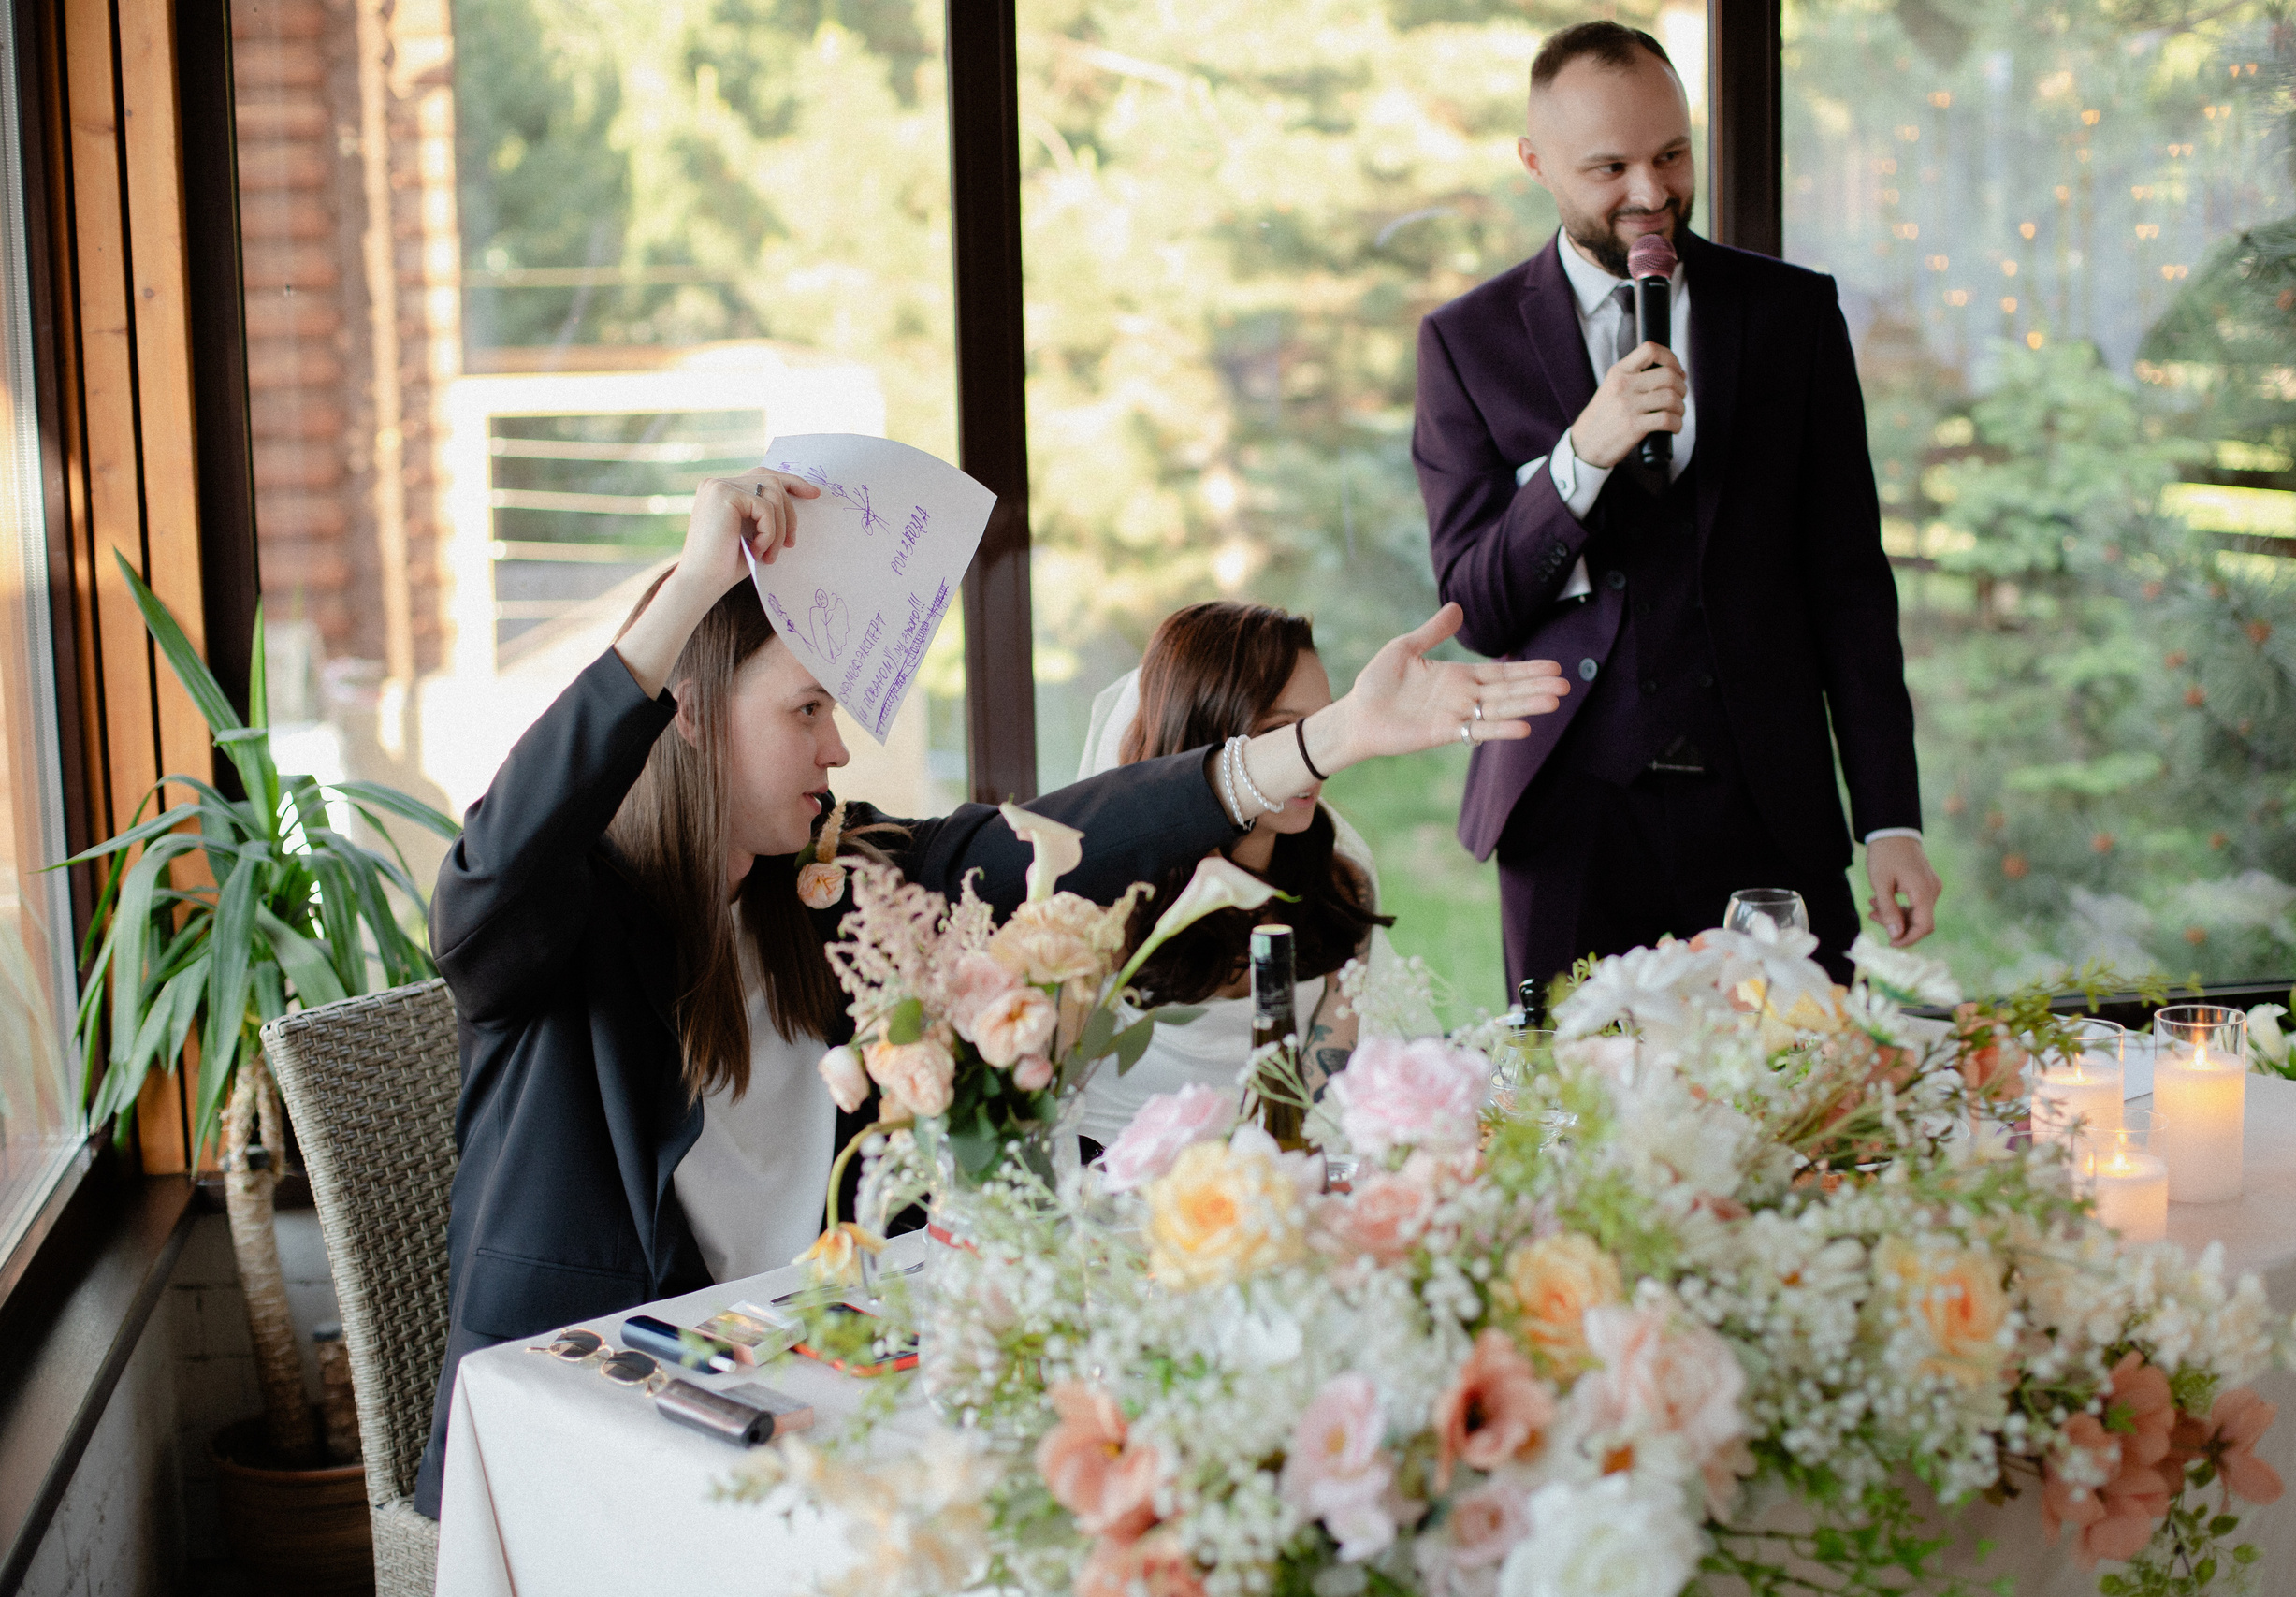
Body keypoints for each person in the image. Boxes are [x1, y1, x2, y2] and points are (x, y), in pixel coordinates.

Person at [414, 466, 1567, 1515]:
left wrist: (1319, 743)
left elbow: (1053, 839)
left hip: (813, 1385)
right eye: (806, 709)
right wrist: (687, 599)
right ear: (693, 715)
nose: (837, 750)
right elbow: (483, 881)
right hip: (579, 1431)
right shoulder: (559, 923)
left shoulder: (839, 882)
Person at [1411, 20, 1941, 992]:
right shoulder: (1465, 342)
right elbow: (1478, 609)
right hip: (1569, 822)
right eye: (1608, 167)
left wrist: (1889, 820)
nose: (1651, 195)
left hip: (1767, 816)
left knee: (1800, 1113)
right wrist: (1583, 453)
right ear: (1535, 162)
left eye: (1670, 154)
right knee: (1575, 1120)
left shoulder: (1790, 316)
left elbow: (1849, 589)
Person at [1075, 603, 1391, 1149]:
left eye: (1320, 729)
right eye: (1279, 731)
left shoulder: (1341, 883)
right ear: (1204, 729)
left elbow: (1315, 1087)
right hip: (1108, 1180)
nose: (1315, 760)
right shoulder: (1102, 901)